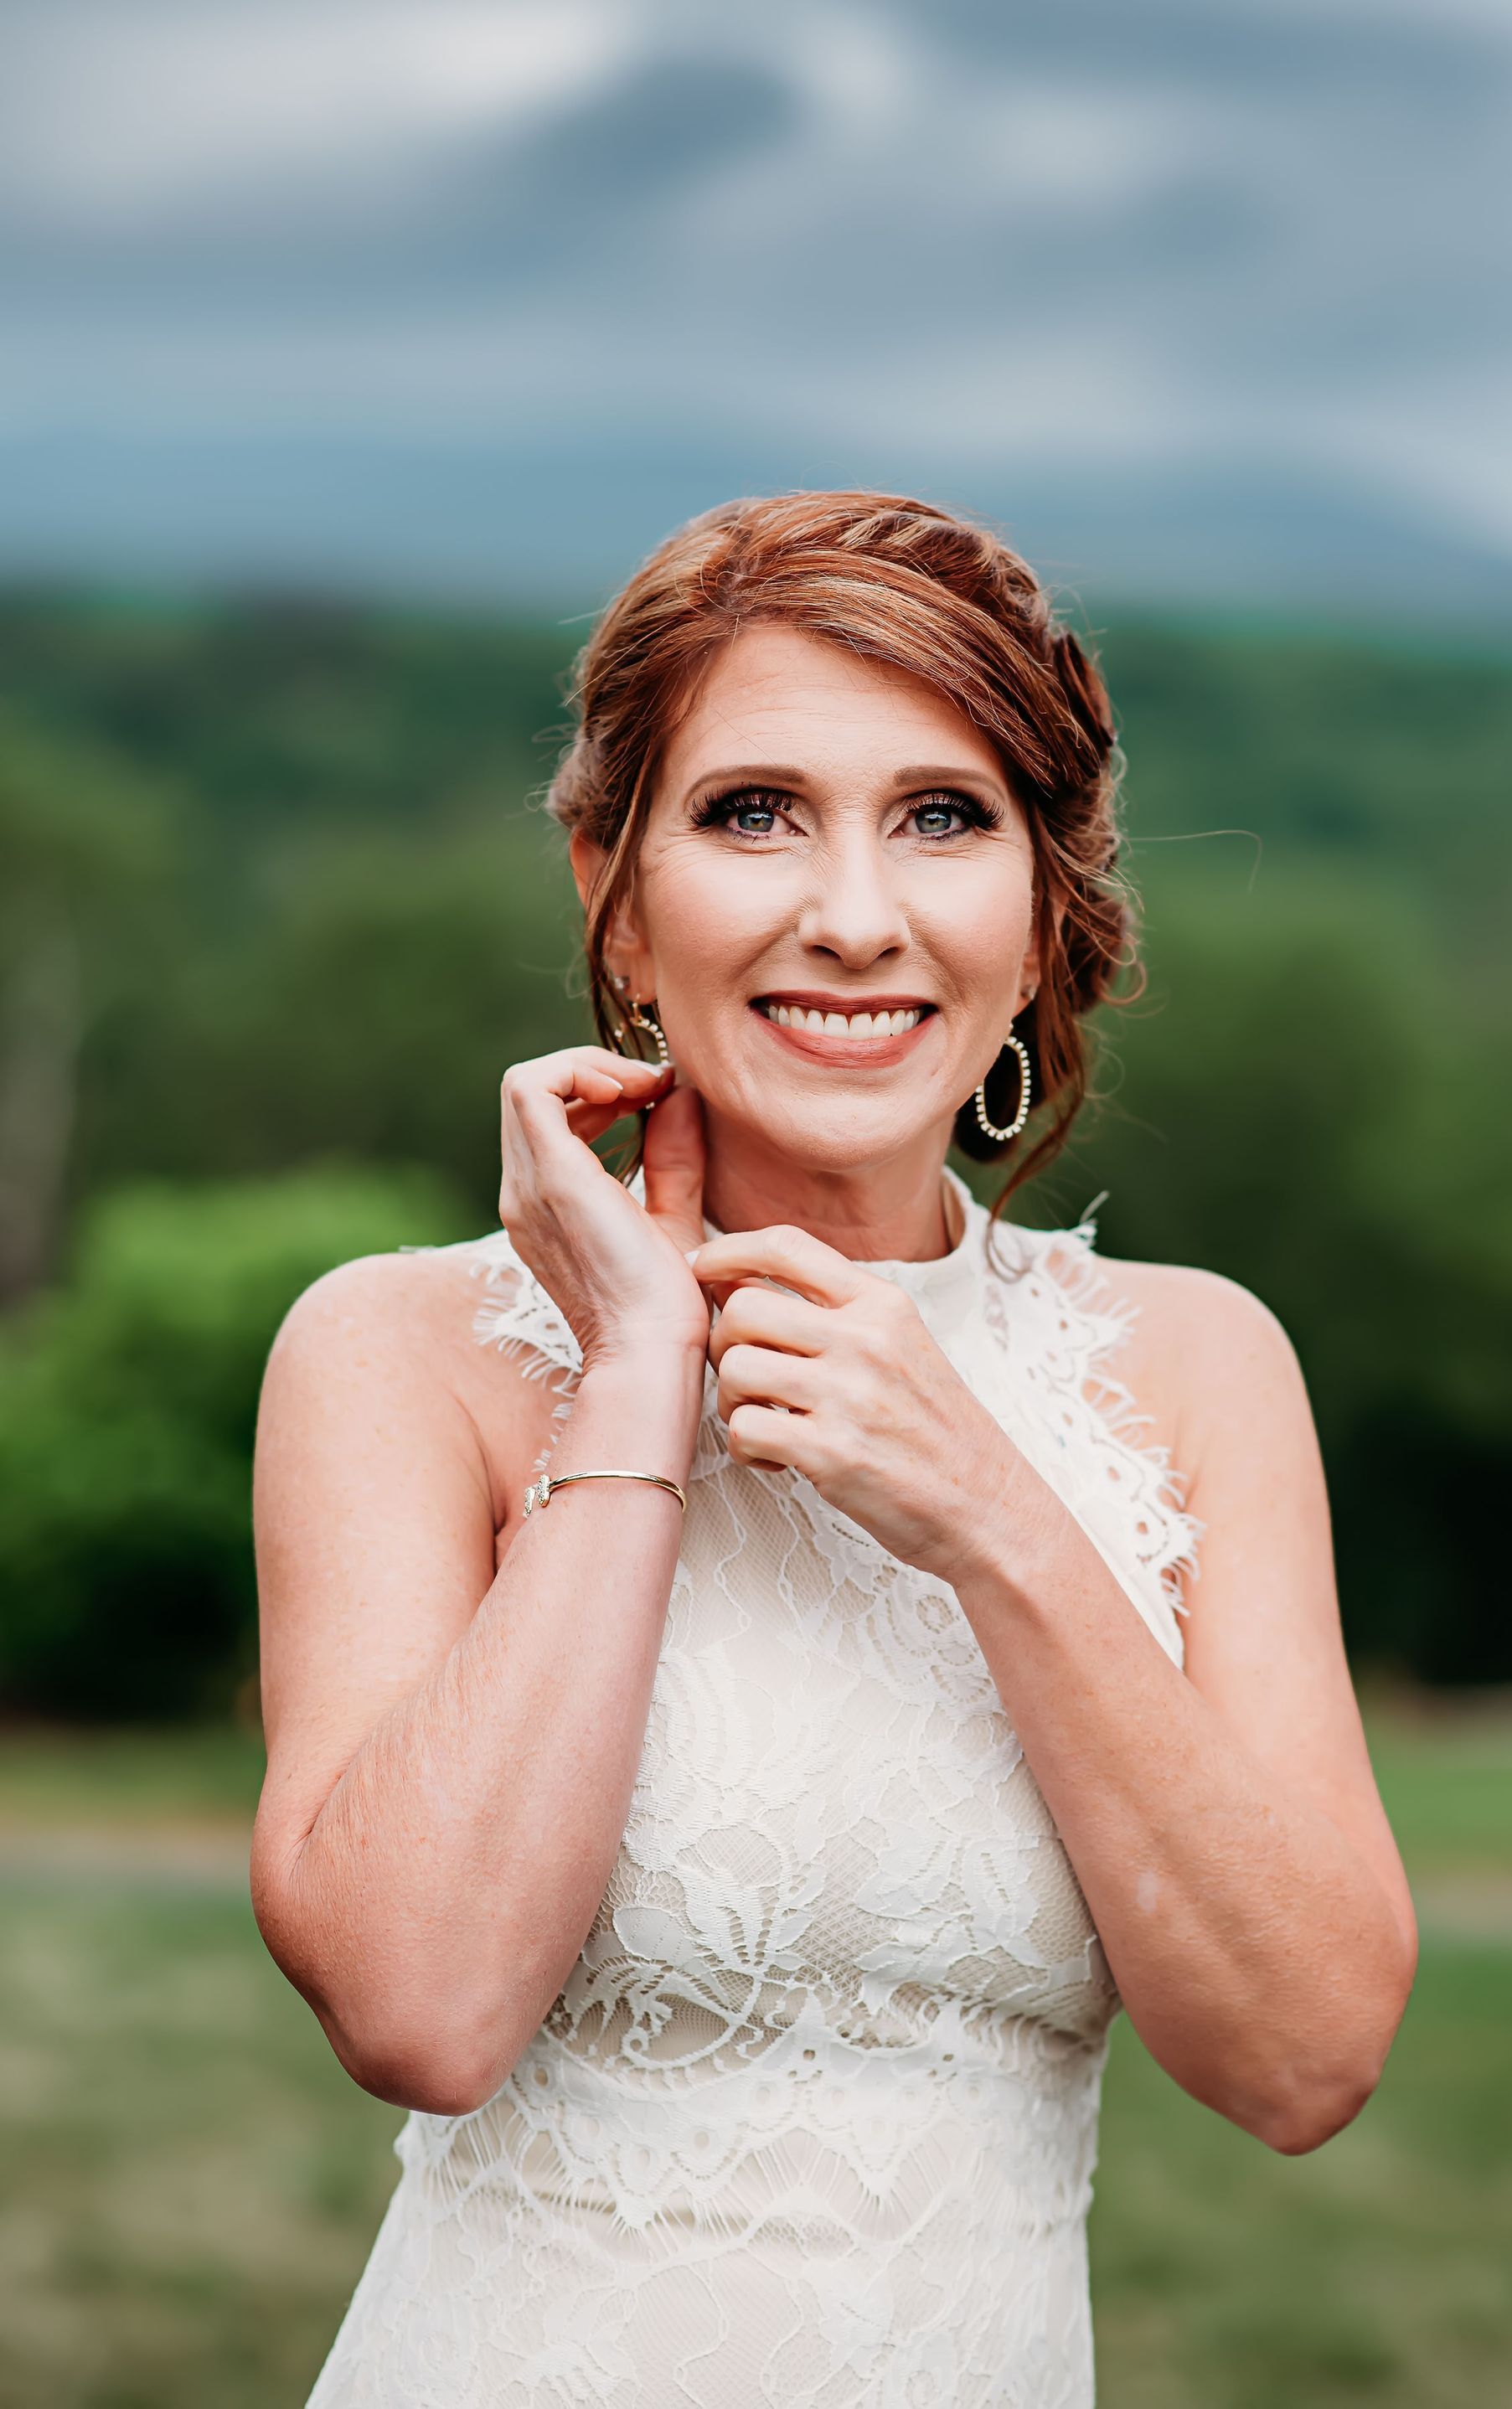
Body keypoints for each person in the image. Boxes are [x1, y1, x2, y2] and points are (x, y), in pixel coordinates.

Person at [250, 490, 1417, 2408]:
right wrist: (637, 1376)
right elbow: (422, 2005)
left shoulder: (1198, 1367)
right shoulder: (400, 1351)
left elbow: (1302, 2062)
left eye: (943, 817)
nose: (855, 915)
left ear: (1046, 906)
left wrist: (989, 1510)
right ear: (613, 891)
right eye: (752, 812)